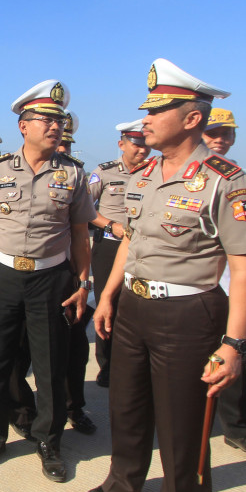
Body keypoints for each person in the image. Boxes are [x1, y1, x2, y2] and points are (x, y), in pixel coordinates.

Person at [81, 58, 246, 492]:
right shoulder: (145, 175)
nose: (146, 122)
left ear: (190, 118)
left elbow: (245, 271)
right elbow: (131, 243)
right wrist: (111, 295)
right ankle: (124, 482)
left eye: (157, 111)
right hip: (135, 305)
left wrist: (234, 345)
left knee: (184, 425)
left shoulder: (226, 182)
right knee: (127, 405)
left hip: (189, 312)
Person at [0, 79, 94, 483]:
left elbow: (80, 234)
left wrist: (83, 283)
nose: (54, 126)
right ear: (24, 125)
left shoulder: (73, 175)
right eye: (45, 119)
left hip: (52, 278)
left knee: (50, 363)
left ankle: (48, 443)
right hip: (1, 275)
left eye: (59, 119)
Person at [199, 109, 246, 458]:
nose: (219, 139)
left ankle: (237, 429)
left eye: (226, 133)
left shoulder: (239, 179)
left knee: (230, 355)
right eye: (213, 132)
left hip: (230, 283)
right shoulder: (168, 175)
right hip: (186, 287)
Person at [86, 120, 151, 388]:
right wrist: (110, 225)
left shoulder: (154, 173)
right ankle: (108, 365)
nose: (142, 151)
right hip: (111, 246)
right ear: (121, 144)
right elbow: (85, 208)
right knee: (107, 302)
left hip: (144, 249)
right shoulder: (104, 172)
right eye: (137, 145)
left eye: (146, 145)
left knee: (140, 305)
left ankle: (138, 362)